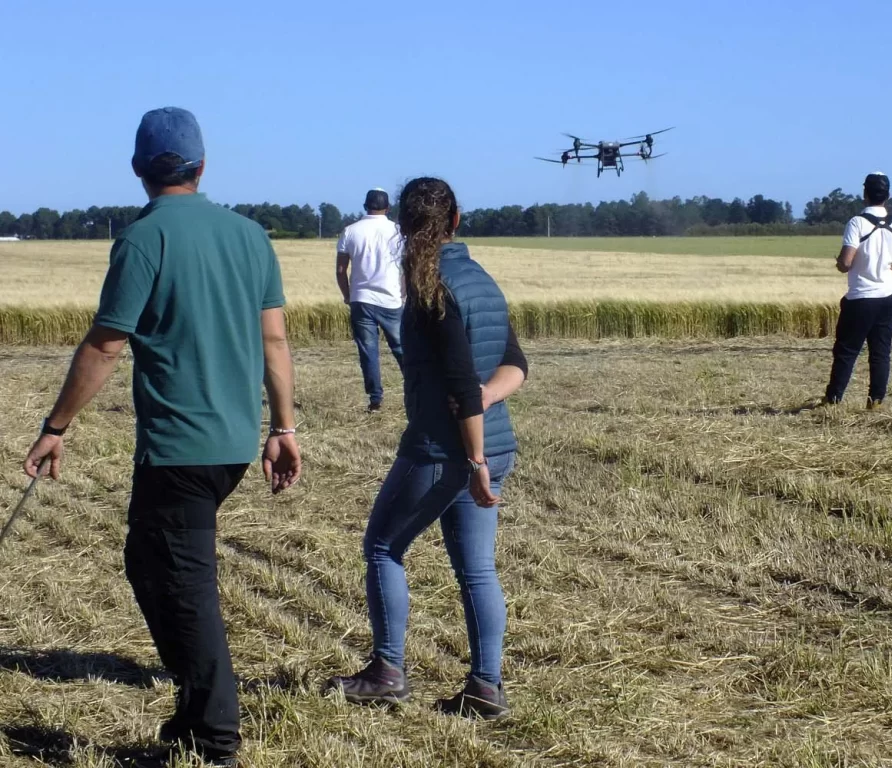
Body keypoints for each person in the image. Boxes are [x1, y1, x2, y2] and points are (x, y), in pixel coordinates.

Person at [22, 106, 302, 767]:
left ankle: (213, 738)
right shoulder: (250, 235)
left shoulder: (143, 239)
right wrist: (283, 426)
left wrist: (55, 427)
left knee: (181, 585)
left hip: (180, 446)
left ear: (138, 169)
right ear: (202, 167)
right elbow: (274, 340)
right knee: (149, 563)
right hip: (233, 445)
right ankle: (193, 708)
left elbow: (106, 344)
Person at [322, 176, 528, 720]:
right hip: (491, 443)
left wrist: (475, 458)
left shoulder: (434, 288)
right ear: (456, 220)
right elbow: (515, 364)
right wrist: (486, 403)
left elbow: (460, 385)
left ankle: (387, 671)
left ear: (403, 227)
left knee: (382, 548)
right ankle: (485, 687)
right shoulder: (482, 280)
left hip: (444, 450)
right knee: (477, 570)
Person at [823, 172, 892, 408]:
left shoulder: (857, 223)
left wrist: (839, 263)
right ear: (888, 195)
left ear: (864, 194)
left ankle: (833, 402)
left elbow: (846, 263)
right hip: (889, 297)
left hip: (861, 298)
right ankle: (875, 402)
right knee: (880, 353)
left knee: (846, 352)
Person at [336, 188, 405, 412]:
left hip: (361, 299)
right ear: (388, 207)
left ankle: (375, 400)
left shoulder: (350, 231)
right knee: (402, 348)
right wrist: (403, 292)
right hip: (391, 299)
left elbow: (340, 270)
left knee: (368, 351)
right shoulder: (398, 231)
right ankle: (418, 390)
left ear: (365, 206)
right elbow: (408, 266)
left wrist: (348, 295)